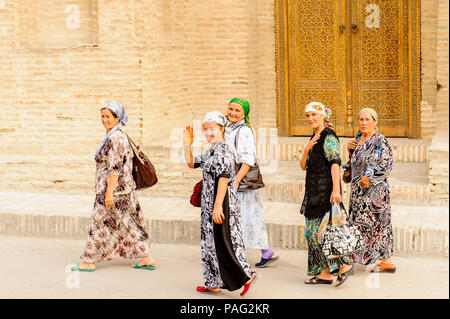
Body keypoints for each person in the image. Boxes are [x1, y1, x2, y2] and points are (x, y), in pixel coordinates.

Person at [72, 101, 155, 272]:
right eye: (102, 116)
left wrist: (108, 193)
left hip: (113, 190)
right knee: (131, 222)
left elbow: (115, 168)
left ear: (117, 118)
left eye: (108, 116)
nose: (104, 120)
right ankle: (146, 256)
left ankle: (89, 260)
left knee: (99, 223)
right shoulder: (116, 135)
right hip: (124, 189)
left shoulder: (114, 138)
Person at [183, 111, 256, 296]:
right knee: (210, 242)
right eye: (205, 129)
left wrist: (217, 206)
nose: (208, 133)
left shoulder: (224, 149)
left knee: (224, 241)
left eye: (212, 129)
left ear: (222, 129)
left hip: (221, 202)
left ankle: (246, 275)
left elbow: (223, 179)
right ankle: (213, 282)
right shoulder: (213, 149)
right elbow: (192, 164)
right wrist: (186, 145)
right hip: (210, 202)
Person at [299, 101, 354, 287]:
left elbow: (335, 163)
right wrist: (306, 150)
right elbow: (303, 166)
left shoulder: (329, 136)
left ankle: (344, 265)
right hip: (313, 191)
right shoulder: (313, 137)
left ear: (323, 116)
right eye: (307, 115)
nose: (310, 118)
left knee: (324, 232)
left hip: (325, 192)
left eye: (314, 114)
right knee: (312, 233)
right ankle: (323, 273)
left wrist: (336, 190)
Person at [224, 98, 278, 267]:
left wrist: (236, 181)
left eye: (237, 110)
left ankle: (245, 254)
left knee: (248, 217)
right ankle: (264, 250)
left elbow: (247, 160)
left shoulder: (244, 131)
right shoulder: (228, 128)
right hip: (233, 180)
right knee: (245, 217)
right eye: (231, 109)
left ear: (244, 114)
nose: (233, 113)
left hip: (242, 183)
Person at [347, 108, 395, 273]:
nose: (364, 123)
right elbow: (353, 164)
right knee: (359, 224)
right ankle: (380, 261)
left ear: (375, 121)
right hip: (357, 193)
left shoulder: (380, 140)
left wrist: (370, 177)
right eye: (361, 119)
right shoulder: (358, 139)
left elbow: (387, 164)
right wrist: (349, 152)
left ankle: (378, 261)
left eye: (367, 119)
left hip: (375, 192)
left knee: (376, 225)